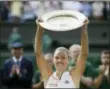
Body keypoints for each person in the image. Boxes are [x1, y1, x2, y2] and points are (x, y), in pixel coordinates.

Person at [34, 18, 89, 88]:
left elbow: (84, 54)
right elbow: (38, 53)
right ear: (53, 60)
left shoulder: (74, 75)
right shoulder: (48, 75)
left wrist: (84, 28)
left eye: (63, 58)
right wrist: (40, 28)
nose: (59, 60)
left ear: (69, 59)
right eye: (57, 58)